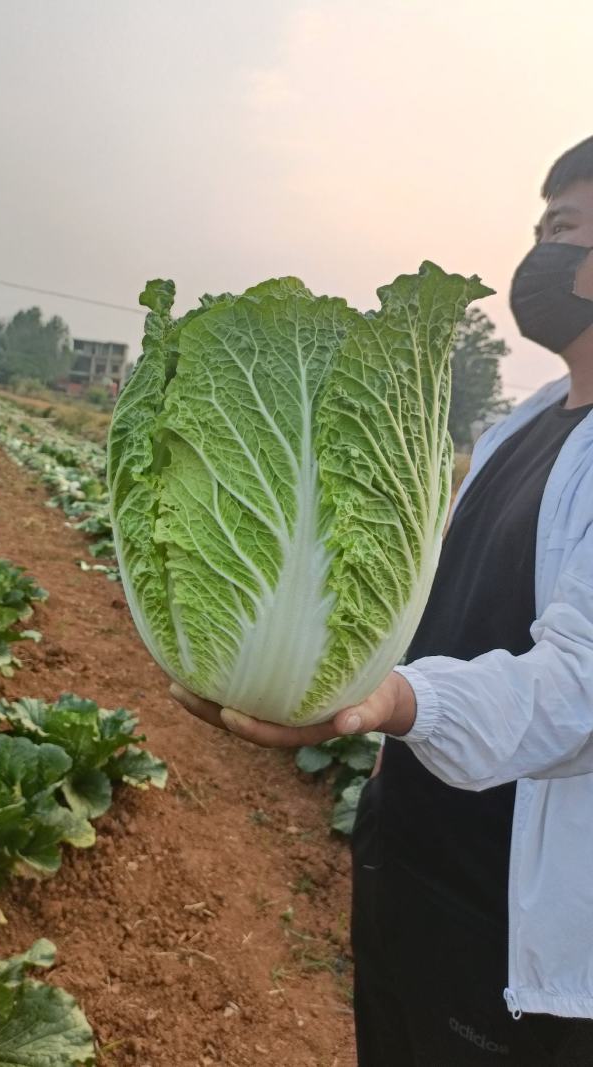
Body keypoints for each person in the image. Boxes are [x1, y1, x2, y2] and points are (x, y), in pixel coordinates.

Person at [170, 134, 593, 1066]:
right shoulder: (522, 424)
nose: (538, 252)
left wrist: (397, 699)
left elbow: (577, 692)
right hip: (407, 856)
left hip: (515, 931)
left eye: (563, 226)